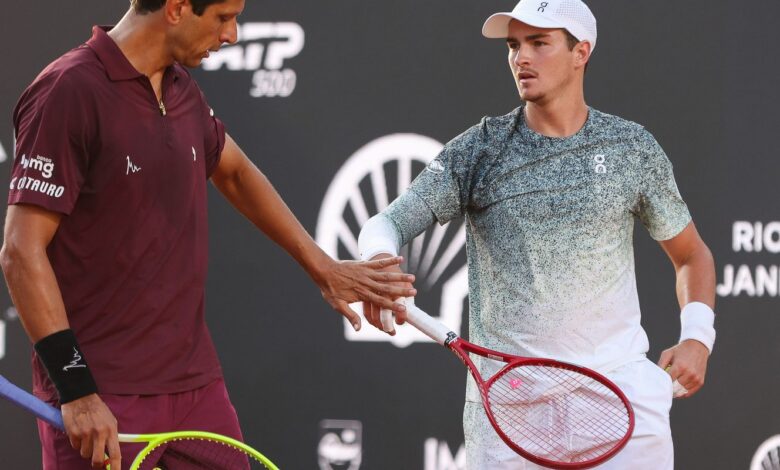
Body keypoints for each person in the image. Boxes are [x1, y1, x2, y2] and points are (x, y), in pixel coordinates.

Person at [0, 0, 417, 468]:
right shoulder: (68, 90)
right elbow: (20, 250)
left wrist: (324, 268)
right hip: (101, 394)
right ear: (177, 8)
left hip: (194, 388)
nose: (232, 35)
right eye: (223, 17)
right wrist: (76, 391)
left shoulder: (180, 89)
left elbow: (234, 172)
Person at [357, 0, 716, 468]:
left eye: (539, 43)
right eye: (513, 45)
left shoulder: (631, 148)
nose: (520, 58)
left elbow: (691, 255)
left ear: (580, 52)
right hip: (509, 409)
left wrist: (697, 337)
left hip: (622, 398)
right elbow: (385, 224)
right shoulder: (478, 151)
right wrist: (377, 263)